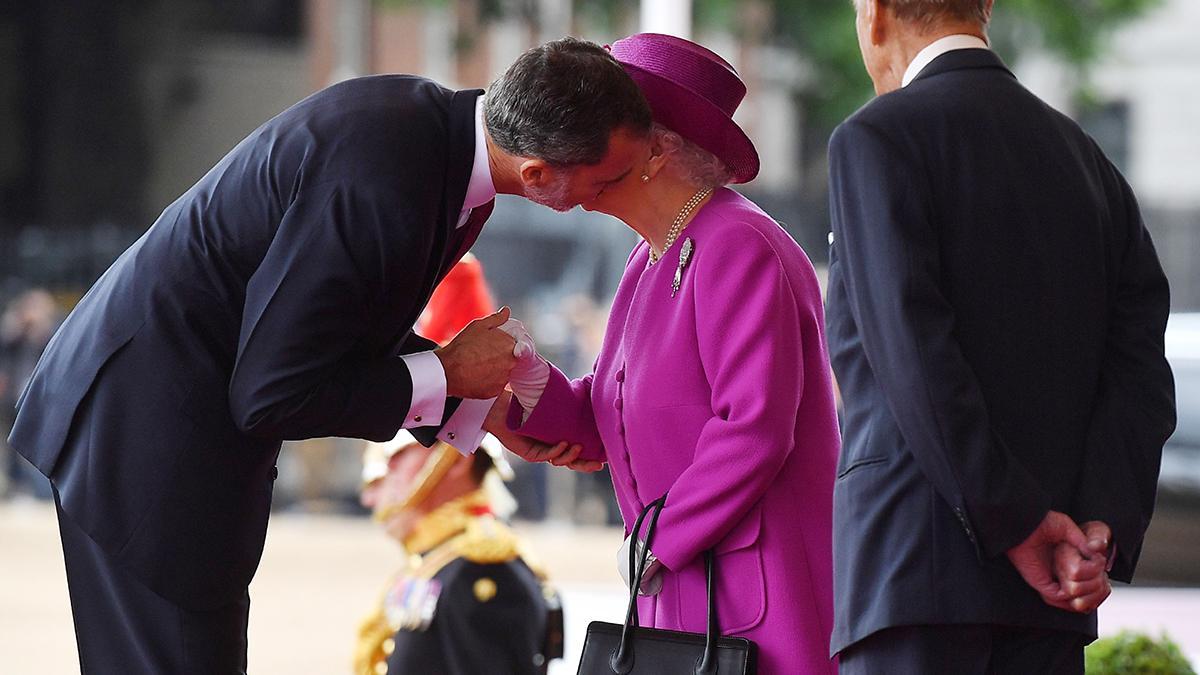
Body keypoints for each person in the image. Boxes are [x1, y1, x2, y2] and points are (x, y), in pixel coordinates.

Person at [6, 37, 651, 672]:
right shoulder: (390, 175)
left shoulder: (434, 140)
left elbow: (336, 328)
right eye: (611, 178)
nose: (613, 197)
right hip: (149, 441)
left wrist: (477, 410)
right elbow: (272, 390)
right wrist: (450, 371)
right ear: (538, 174)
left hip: (158, 424)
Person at [825, 1, 1177, 673]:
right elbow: (1139, 368)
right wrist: (1098, 522)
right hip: (1054, 592)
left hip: (914, 573)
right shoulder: (1089, 160)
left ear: (873, 13)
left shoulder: (876, 137)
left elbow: (912, 351)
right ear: (985, 8)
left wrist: (1012, 518)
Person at [487, 33, 840, 675]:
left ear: (654, 146)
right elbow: (604, 424)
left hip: (757, 597)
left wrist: (656, 540)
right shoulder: (649, 258)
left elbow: (754, 430)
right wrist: (524, 376)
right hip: (682, 594)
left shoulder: (738, 244)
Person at [354, 431, 562, 675]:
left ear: (459, 457)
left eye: (396, 456)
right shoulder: (438, 560)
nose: (369, 496)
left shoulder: (483, 569)